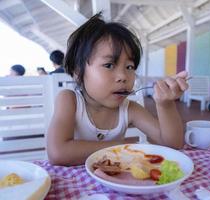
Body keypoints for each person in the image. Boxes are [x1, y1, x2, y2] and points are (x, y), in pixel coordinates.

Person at [47, 12, 188, 166]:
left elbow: (173, 144)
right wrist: (122, 146)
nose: (123, 76)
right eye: (109, 65)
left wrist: (165, 105)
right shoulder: (69, 100)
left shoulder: (129, 109)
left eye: (129, 67)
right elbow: (58, 153)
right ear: (78, 72)